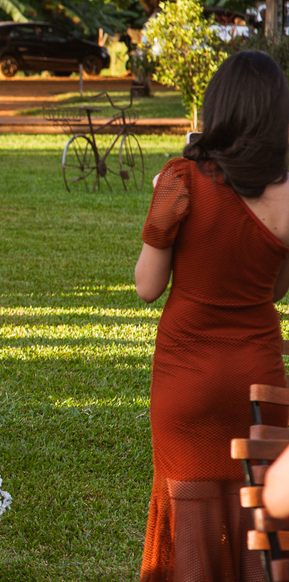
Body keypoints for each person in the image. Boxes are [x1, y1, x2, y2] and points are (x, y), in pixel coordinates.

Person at [135, 51, 289, 582]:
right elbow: (275, 291)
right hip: (257, 377)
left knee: (191, 527)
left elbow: (147, 287)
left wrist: (161, 221)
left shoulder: (179, 179)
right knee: (260, 515)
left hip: (186, 378)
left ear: (216, 106)